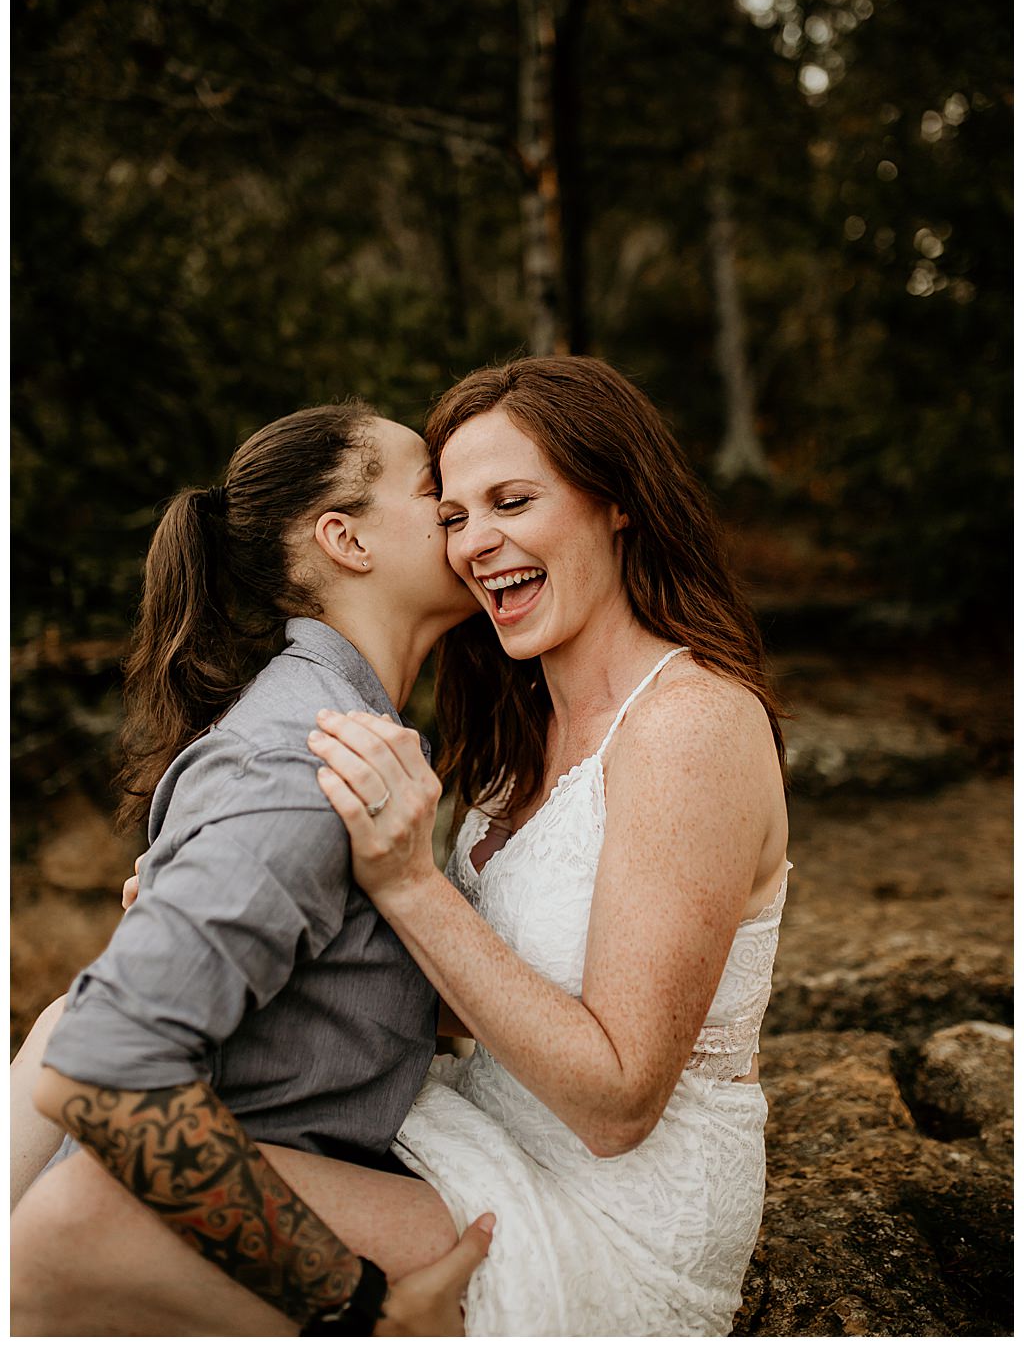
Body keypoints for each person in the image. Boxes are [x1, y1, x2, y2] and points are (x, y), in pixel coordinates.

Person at [305, 356, 791, 1334]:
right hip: (484, 1135)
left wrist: (407, 881)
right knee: (94, 1065)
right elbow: (480, 992)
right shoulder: (518, 731)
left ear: (616, 500)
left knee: (122, 1184)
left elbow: (617, 1100)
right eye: (453, 516)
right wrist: (255, 925)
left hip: (614, 1214)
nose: (477, 542)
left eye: (513, 500)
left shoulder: (689, 725)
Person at [10, 400, 494, 1336]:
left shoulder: (346, 735)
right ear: (344, 539)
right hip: (174, 1276)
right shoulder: (302, 767)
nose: (463, 509)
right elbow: (104, 1068)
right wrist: (355, 1306)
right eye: (435, 488)